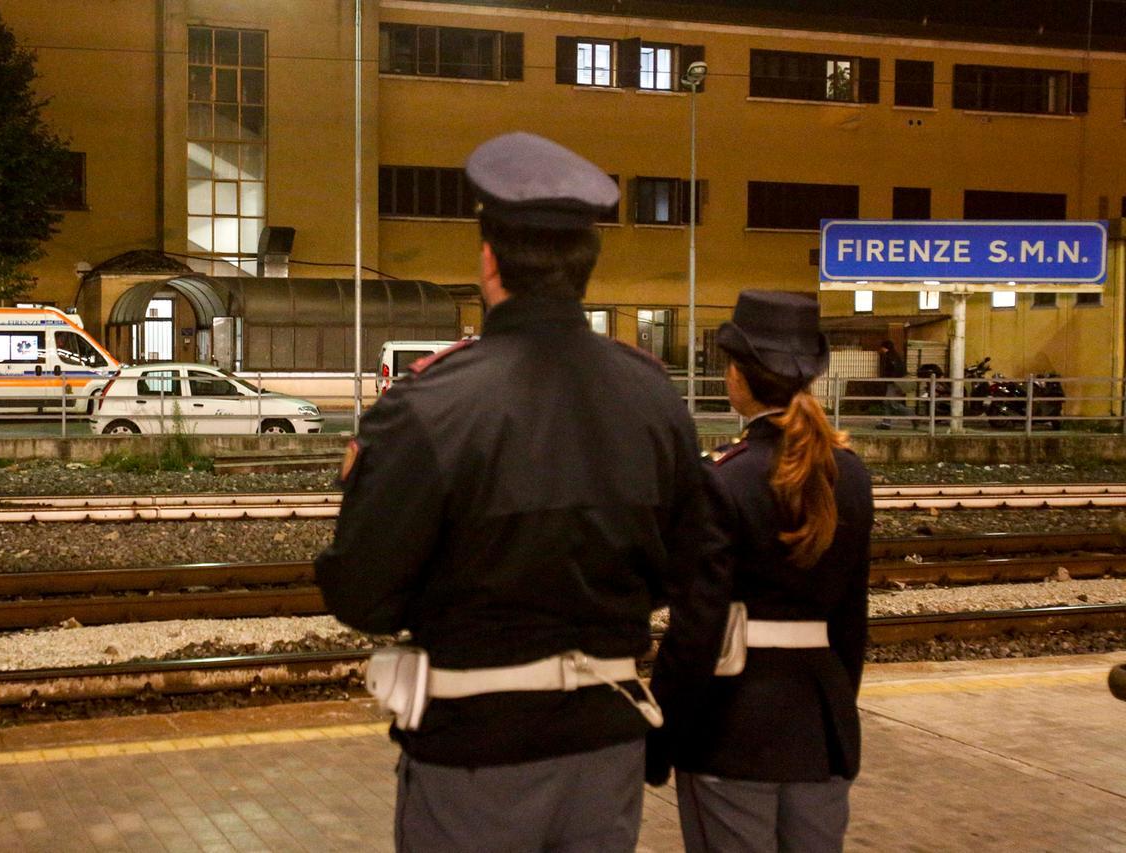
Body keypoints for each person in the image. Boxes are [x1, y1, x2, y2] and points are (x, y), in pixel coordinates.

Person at [315, 132, 727, 852]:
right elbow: (688, 566)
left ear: (488, 259)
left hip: (474, 755)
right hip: (606, 747)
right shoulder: (652, 397)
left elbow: (361, 593)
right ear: (586, 268)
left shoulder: (428, 406)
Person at [650, 290, 874, 852]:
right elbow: (851, 624)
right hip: (821, 731)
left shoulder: (724, 478)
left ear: (738, 377)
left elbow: (696, 630)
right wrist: (837, 710)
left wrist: (661, 734)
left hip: (731, 730)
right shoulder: (849, 475)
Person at [876, 338, 914, 429]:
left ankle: (913, 416)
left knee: (892, 403)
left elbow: (894, 370)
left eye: (882, 347)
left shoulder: (890, 356)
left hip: (894, 383)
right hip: (894, 382)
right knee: (887, 402)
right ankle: (886, 423)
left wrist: (890, 378)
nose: (881, 349)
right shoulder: (895, 356)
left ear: (885, 347)